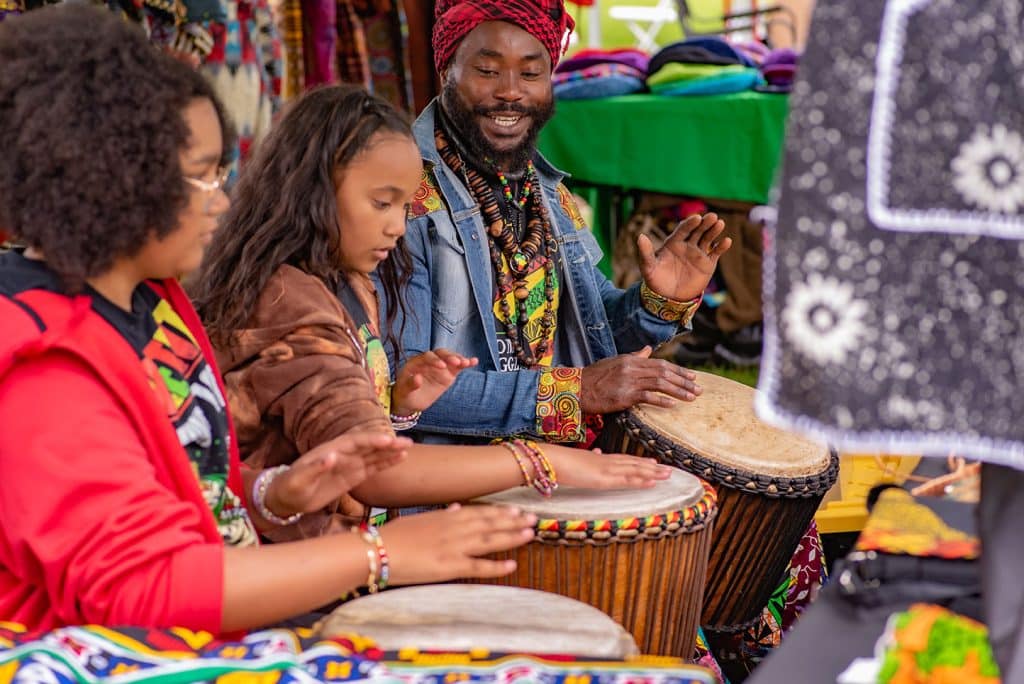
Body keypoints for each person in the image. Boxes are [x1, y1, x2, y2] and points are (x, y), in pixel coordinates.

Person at [0, 3, 537, 634]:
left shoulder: (154, 301)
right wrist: (379, 555)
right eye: (202, 178)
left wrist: (272, 495)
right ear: (114, 177)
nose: (223, 200)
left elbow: (184, 488)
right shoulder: (43, 367)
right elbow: (141, 585)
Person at [190, 83, 674, 541]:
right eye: (381, 204)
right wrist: (541, 462)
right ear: (311, 189)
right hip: (292, 564)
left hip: (351, 544)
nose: (398, 228)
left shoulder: (350, 282)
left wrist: (398, 405)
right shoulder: (290, 303)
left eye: (403, 207)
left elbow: (342, 429)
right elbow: (373, 471)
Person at [390, 0, 732, 446]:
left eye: (531, 73)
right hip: (452, 487)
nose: (511, 91)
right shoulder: (402, 200)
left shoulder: (544, 192)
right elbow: (402, 387)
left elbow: (590, 333)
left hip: (553, 463)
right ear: (446, 72)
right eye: (488, 71)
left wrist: (656, 304)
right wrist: (571, 391)